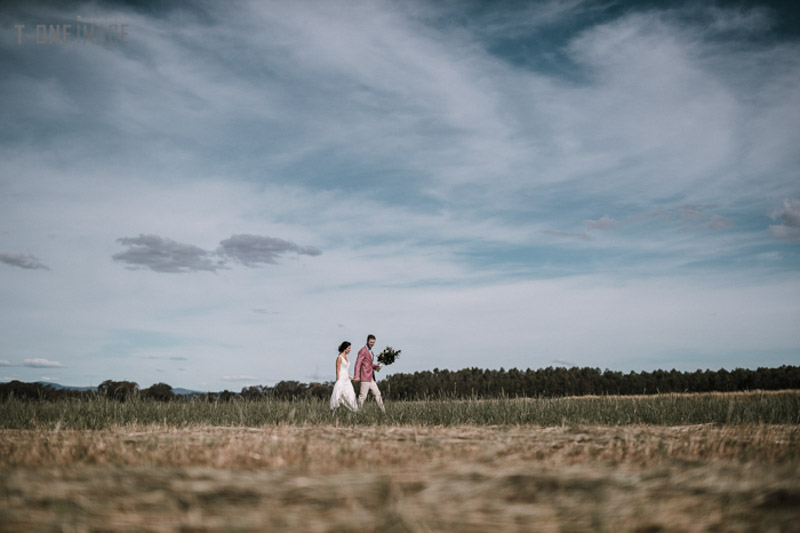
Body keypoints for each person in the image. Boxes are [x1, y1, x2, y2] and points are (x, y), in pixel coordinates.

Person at [354, 334, 385, 412]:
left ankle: (383, 412)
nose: (372, 344)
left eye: (373, 342)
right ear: (367, 341)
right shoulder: (362, 351)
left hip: (371, 377)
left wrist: (377, 366)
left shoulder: (371, 351)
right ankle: (357, 412)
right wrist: (357, 376)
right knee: (363, 396)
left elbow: (369, 364)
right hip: (364, 377)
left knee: (378, 393)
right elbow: (358, 364)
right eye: (371, 342)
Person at [330, 341, 358, 411]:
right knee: (338, 396)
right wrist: (338, 381)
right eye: (349, 348)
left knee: (351, 395)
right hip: (341, 380)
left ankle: (354, 411)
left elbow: (346, 371)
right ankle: (335, 411)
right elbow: (338, 370)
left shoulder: (346, 357)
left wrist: (352, 377)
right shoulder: (339, 358)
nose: (350, 350)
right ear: (345, 349)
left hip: (347, 380)